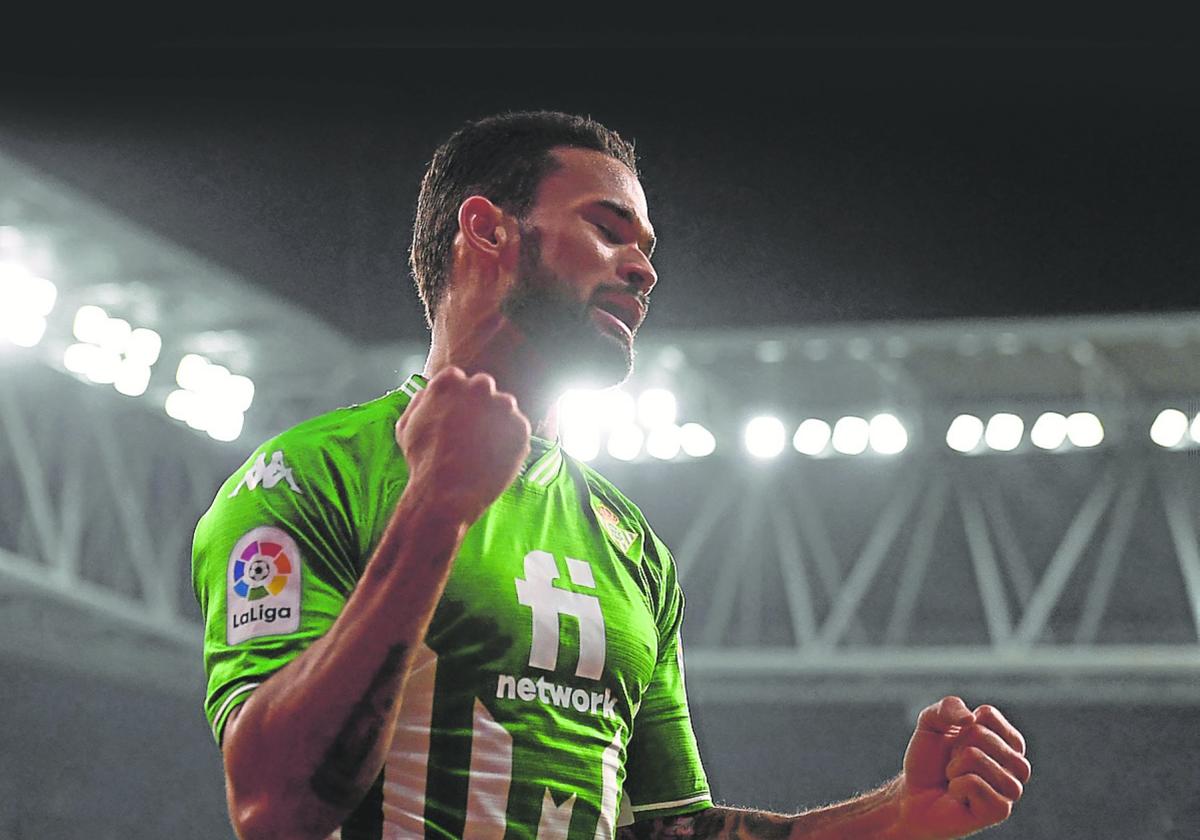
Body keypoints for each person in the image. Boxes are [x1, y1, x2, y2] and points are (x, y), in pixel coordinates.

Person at [192, 110, 1031, 840]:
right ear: (487, 229)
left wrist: (895, 817)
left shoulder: (632, 545)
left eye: (647, 247)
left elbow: (671, 831)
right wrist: (434, 514)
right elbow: (275, 808)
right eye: (608, 229)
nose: (643, 268)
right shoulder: (310, 477)